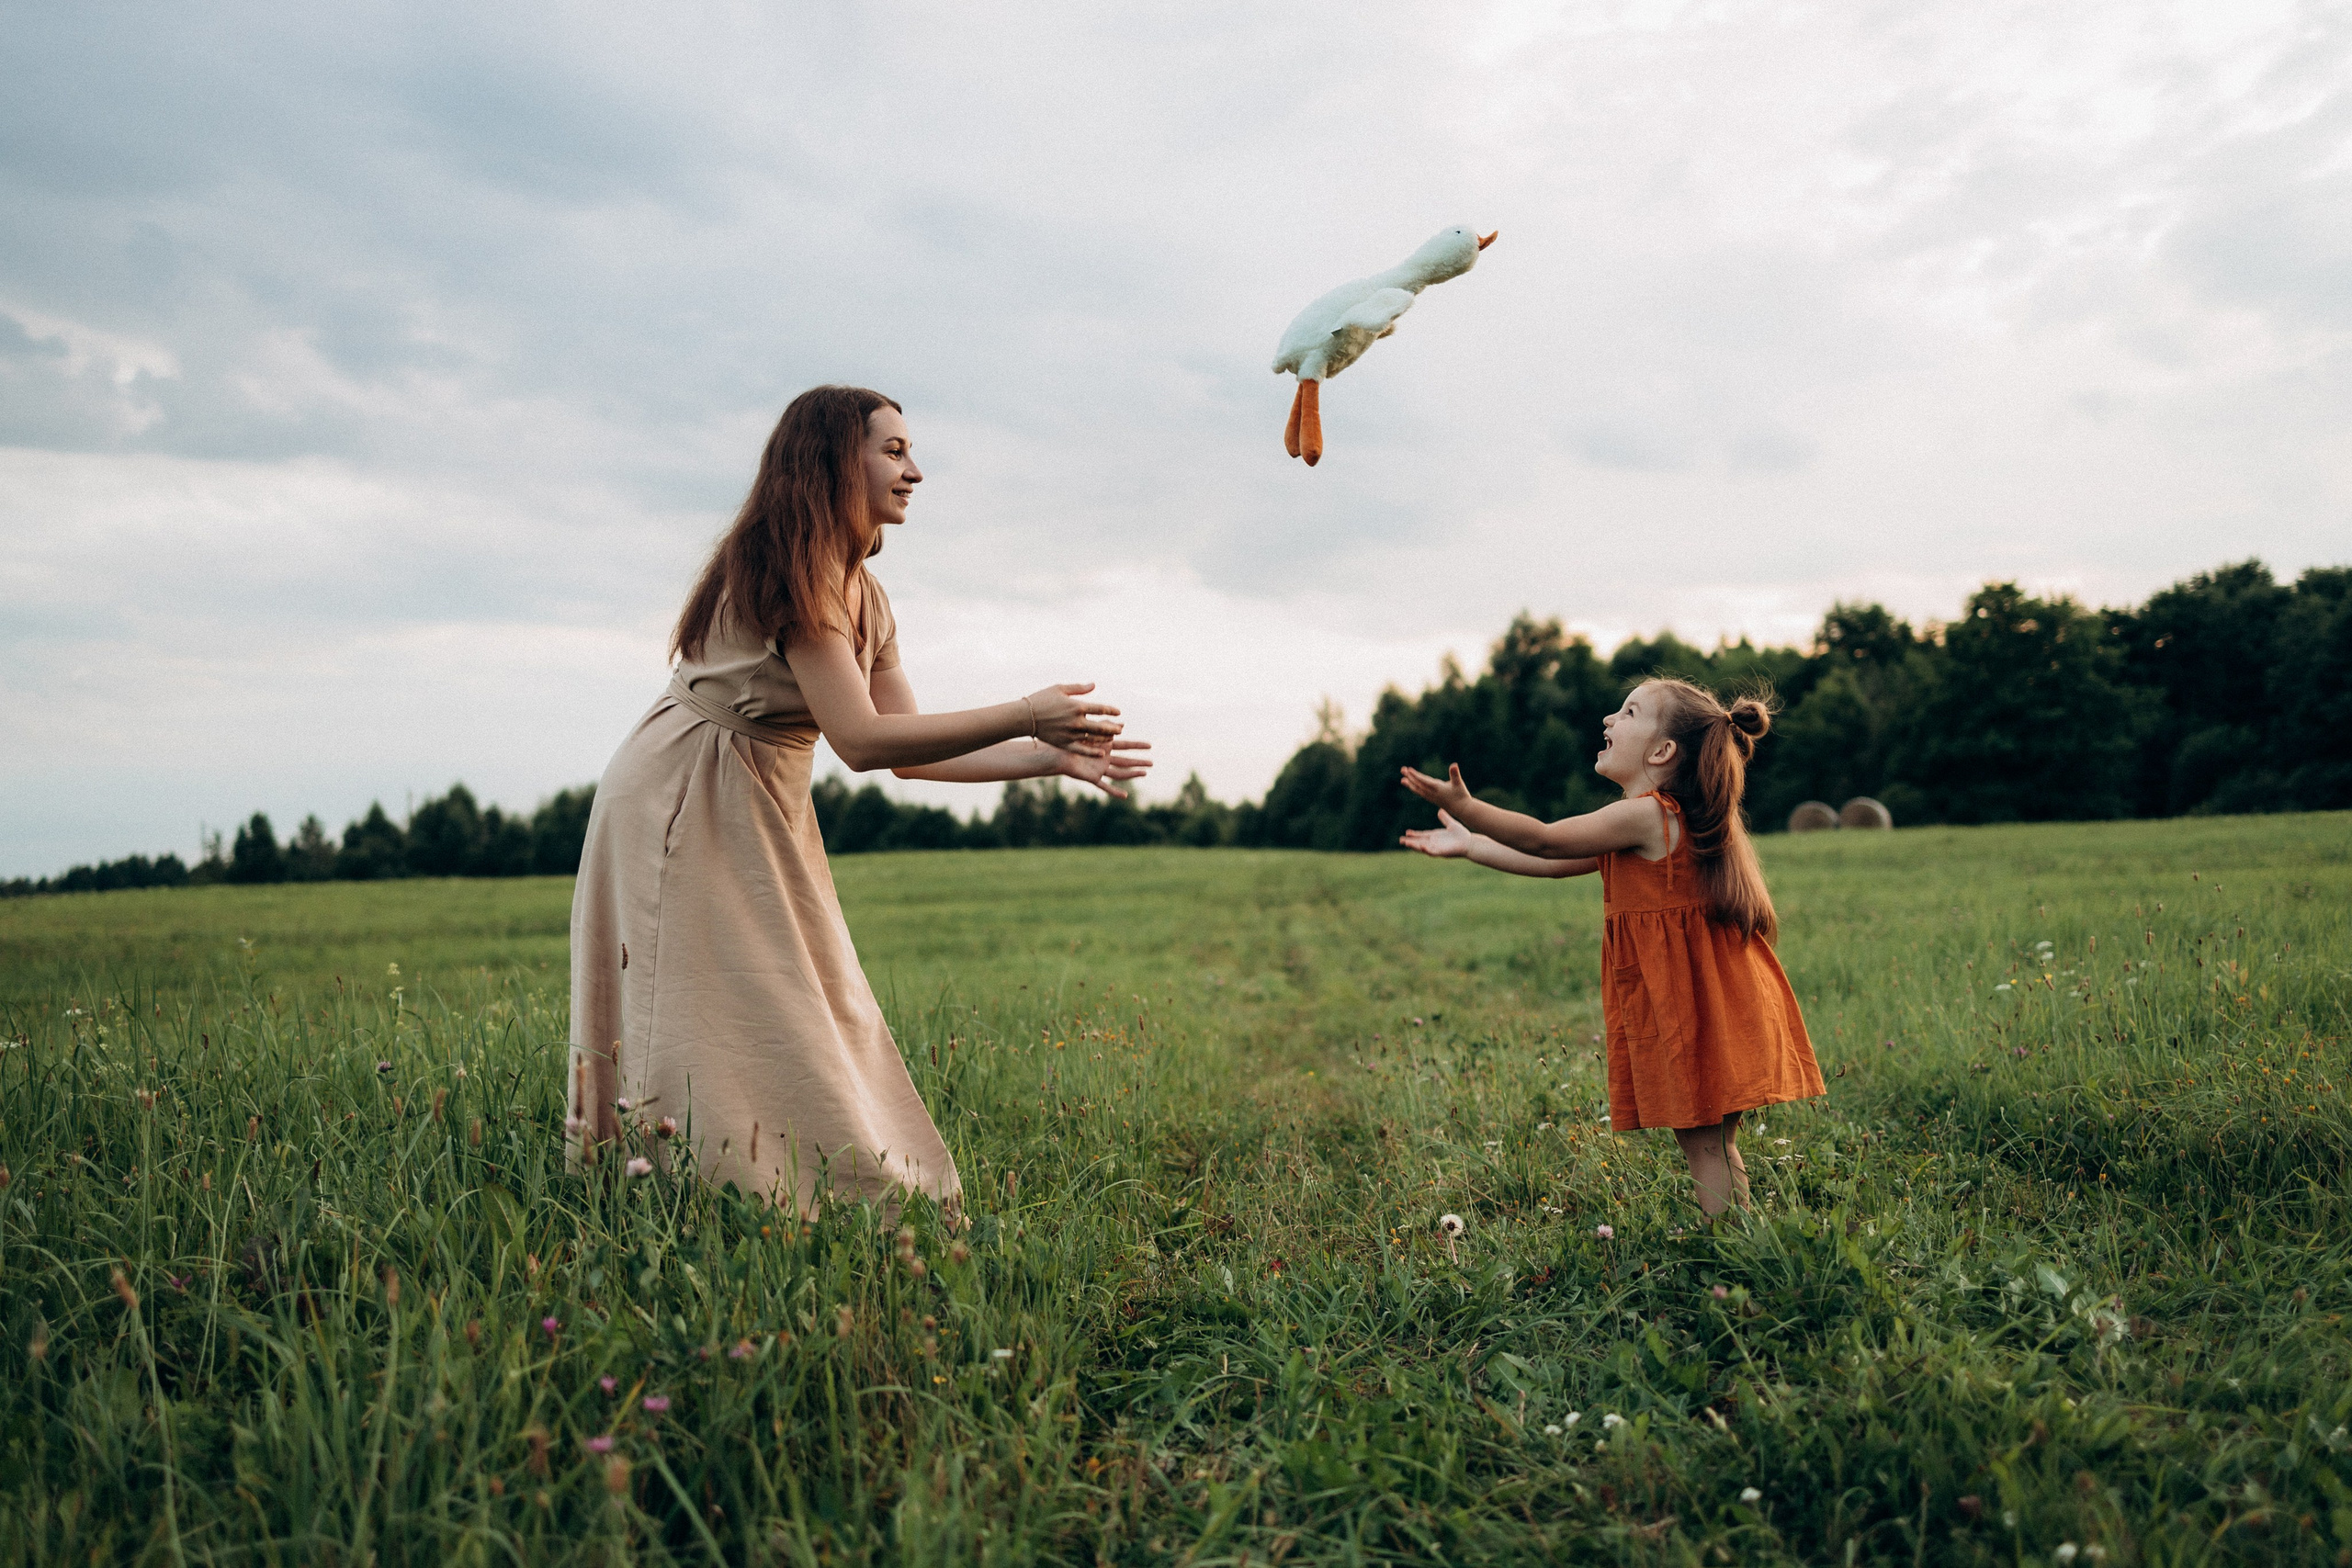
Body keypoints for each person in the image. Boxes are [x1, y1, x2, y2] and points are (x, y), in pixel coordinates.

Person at [566, 385, 1150, 1213]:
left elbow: (908, 750)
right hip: (680, 791)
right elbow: (863, 740)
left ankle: (768, 1183)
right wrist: (1025, 707)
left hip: (758, 791)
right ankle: (678, 1187)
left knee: (801, 985)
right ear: (836, 460)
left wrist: (1046, 757)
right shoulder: (788, 567)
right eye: (895, 450)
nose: (916, 470)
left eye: (910, 451)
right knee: (717, 991)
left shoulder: (862, 592)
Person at [1396, 678, 1822, 1216]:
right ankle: (1741, 1244)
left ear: (1662, 751)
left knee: (1702, 1141)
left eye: (1629, 712)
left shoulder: (1649, 815)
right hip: (1709, 1004)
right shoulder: (1651, 824)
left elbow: (1544, 838)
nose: (1608, 720)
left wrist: (1470, 808)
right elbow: (1550, 863)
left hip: (1694, 1008)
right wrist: (1473, 845)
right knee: (1710, 1141)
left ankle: (1733, 1256)